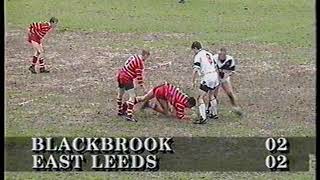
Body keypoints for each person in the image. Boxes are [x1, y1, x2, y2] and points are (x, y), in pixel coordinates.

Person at [117, 50, 150, 122]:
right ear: (145, 55)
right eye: (147, 57)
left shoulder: (134, 56)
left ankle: (120, 111)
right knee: (132, 97)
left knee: (120, 94)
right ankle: (129, 115)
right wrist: (144, 88)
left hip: (120, 74)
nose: (146, 59)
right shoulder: (140, 63)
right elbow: (139, 78)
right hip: (127, 78)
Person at [191, 41, 220, 124]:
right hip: (214, 75)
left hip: (207, 77)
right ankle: (214, 113)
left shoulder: (198, 56)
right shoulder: (209, 53)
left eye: (193, 50)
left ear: (195, 48)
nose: (194, 52)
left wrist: (192, 81)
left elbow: (195, 69)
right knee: (211, 95)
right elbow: (215, 66)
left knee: (200, 97)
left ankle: (202, 118)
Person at [212, 48, 242, 116]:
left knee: (230, 93)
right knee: (214, 95)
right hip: (216, 78)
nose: (220, 56)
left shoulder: (230, 60)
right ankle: (212, 109)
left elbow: (231, 71)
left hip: (224, 78)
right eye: (219, 54)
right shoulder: (214, 58)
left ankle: (235, 106)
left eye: (222, 54)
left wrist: (225, 76)